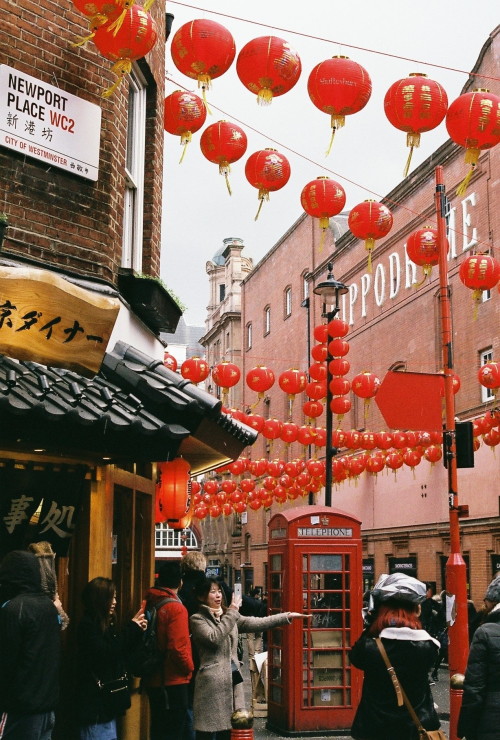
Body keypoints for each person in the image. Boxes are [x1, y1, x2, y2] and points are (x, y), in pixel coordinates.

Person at [190, 576, 308, 739]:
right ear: (201, 597)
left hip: (233, 683)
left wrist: (286, 616)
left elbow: (257, 623)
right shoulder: (197, 619)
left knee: (230, 732)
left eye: (219, 591)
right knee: (208, 734)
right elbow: (214, 638)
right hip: (211, 687)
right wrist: (231, 612)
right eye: (212, 592)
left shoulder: (228, 615)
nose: (218, 595)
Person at [350, 572, 442, 740]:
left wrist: (371, 623)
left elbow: (355, 657)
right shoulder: (428, 647)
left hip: (375, 728)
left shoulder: (369, 647)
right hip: (415, 728)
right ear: (416, 610)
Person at [75, 577, 147, 740]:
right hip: (95, 706)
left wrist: (136, 632)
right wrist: (132, 629)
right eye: (111, 597)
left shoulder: (106, 624)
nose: (115, 602)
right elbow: (107, 653)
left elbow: (121, 652)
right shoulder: (88, 626)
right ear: (100, 600)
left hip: (105, 705)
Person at [0, 549, 61, 740]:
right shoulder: (50, 608)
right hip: (46, 707)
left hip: (20, 710)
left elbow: (6, 661)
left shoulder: (14, 609)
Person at [143, 561, 194, 740]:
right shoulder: (176, 608)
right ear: (180, 582)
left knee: (159, 728)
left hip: (153, 675)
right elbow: (178, 647)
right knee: (174, 731)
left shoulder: (150, 601)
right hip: (173, 680)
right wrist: (189, 668)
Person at [457, 575, 500, 740]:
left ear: (492, 602)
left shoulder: (485, 632)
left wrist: (466, 729)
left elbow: (474, 689)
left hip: (492, 722)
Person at [178, 551, 207, 740]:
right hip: (207, 653)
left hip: (187, 653)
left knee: (188, 703)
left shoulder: (181, 591)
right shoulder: (210, 588)